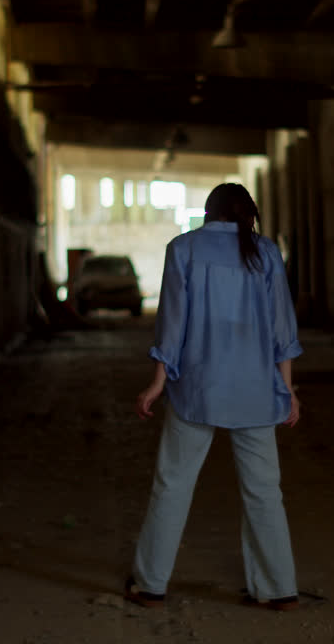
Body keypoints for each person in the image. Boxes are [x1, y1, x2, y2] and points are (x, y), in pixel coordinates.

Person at [124, 183, 303, 612]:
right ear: (249, 215)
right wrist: (289, 391)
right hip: (257, 392)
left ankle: (150, 585)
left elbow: (171, 322)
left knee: (173, 484)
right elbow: (283, 332)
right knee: (264, 491)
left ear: (209, 213)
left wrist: (157, 382)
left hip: (197, 391)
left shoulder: (183, 249)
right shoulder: (267, 253)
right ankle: (278, 590)